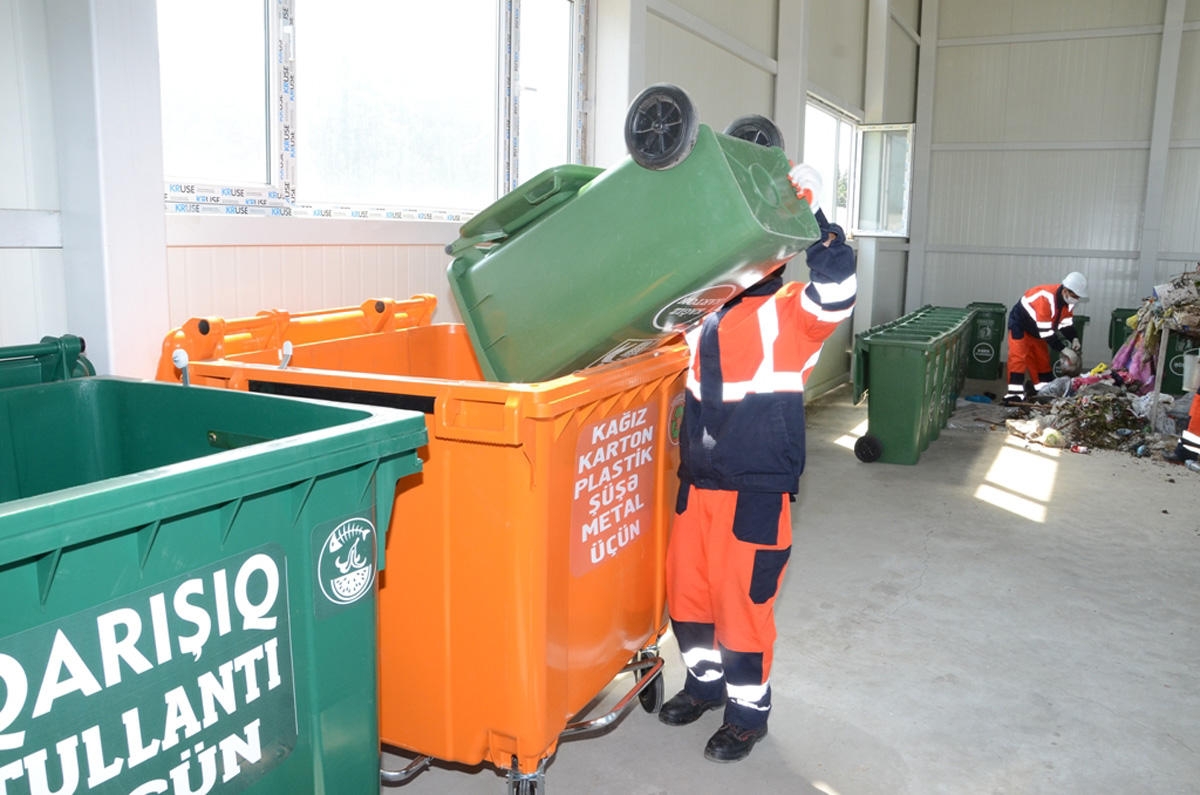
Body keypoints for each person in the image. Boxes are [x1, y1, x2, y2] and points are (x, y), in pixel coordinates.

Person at [659, 163, 856, 763]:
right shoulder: (699, 316)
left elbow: (838, 289)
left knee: (743, 606)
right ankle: (704, 686)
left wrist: (812, 221)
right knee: (688, 597)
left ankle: (749, 715)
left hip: (756, 494)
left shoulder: (794, 311)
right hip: (699, 485)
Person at [1004, 272, 1088, 403]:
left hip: (1036, 330)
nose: (1076, 299)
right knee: (1018, 358)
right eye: (1075, 296)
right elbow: (1047, 333)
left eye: (1078, 297)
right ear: (1066, 291)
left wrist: (1074, 339)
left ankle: (1042, 392)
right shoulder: (1045, 298)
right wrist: (1064, 350)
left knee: (1041, 359)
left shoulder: (1067, 303)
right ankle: (1013, 396)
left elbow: (1066, 325)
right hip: (1020, 325)